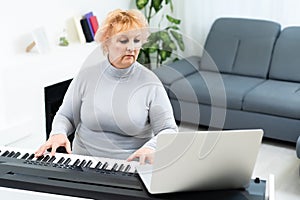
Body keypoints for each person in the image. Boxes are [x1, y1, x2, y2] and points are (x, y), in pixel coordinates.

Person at [35, 9, 178, 164]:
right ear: (107, 42)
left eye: (136, 41)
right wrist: (58, 133)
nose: (131, 48)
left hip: (129, 167)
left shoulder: (150, 83)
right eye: (123, 41)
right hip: (82, 164)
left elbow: (168, 129)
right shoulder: (86, 75)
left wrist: (151, 147)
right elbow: (66, 115)